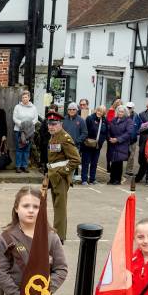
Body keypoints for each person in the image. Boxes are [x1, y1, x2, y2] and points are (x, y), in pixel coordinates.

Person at [44, 111, 81, 241]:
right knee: (56, 206)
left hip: (60, 177)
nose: (51, 127)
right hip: (53, 176)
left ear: (60, 124)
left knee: (60, 208)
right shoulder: (54, 136)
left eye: (54, 124)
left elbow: (76, 160)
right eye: (49, 124)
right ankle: (57, 233)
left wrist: (61, 171)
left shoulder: (65, 138)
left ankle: (59, 237)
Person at [12, 91, 38, 173]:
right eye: (23, 97)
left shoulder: (33, 107)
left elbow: (35, 119)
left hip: (29, 132)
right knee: (19, 149)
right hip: (19, 131)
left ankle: (25, 166)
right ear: (21, 98)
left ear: (29, 98)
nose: (24, 99)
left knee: (26, 149)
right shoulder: (17, 107)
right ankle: (18, 166)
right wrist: (22, 125)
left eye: (26, 97)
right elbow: (15, 118)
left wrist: (29, 126)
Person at [106, 105, 132, 185]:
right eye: (119, 111)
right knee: (113, 162)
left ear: (125, 112)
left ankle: (117, 179)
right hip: (112, 143)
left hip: (121, 144)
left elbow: (128, 133)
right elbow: (109, 130)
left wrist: (118, 139)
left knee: (118, 162)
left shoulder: (128, 121)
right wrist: (110, 138)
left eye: (122, 111)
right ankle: (112, 179)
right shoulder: (114, 120)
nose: (120, 113)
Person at [81, 106, 107, 185]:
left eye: (101, 111)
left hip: (97, 145)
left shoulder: (104, 120)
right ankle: (84, 179)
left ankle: (92, 179)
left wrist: (101, 141)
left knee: (94, 163)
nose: (99, 112)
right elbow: (85, 130)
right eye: (98, 110)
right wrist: (85, 140)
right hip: (88, 144)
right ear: (96, 110)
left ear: (103, 113)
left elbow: (105, 132)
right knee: (85, 162)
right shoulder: (90, 118)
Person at [63, 103, 86, 182]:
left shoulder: (81, 120)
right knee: (64, 162)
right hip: (64, 145)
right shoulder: (64, 119)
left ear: (77, 110)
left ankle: (70, 179)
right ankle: (65, 178)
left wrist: (77, 141)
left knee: (72, 162)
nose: (71, 111)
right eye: (70, 109)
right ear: (67, 110)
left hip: (75, 146)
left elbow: (84, 133)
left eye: (73, 109)